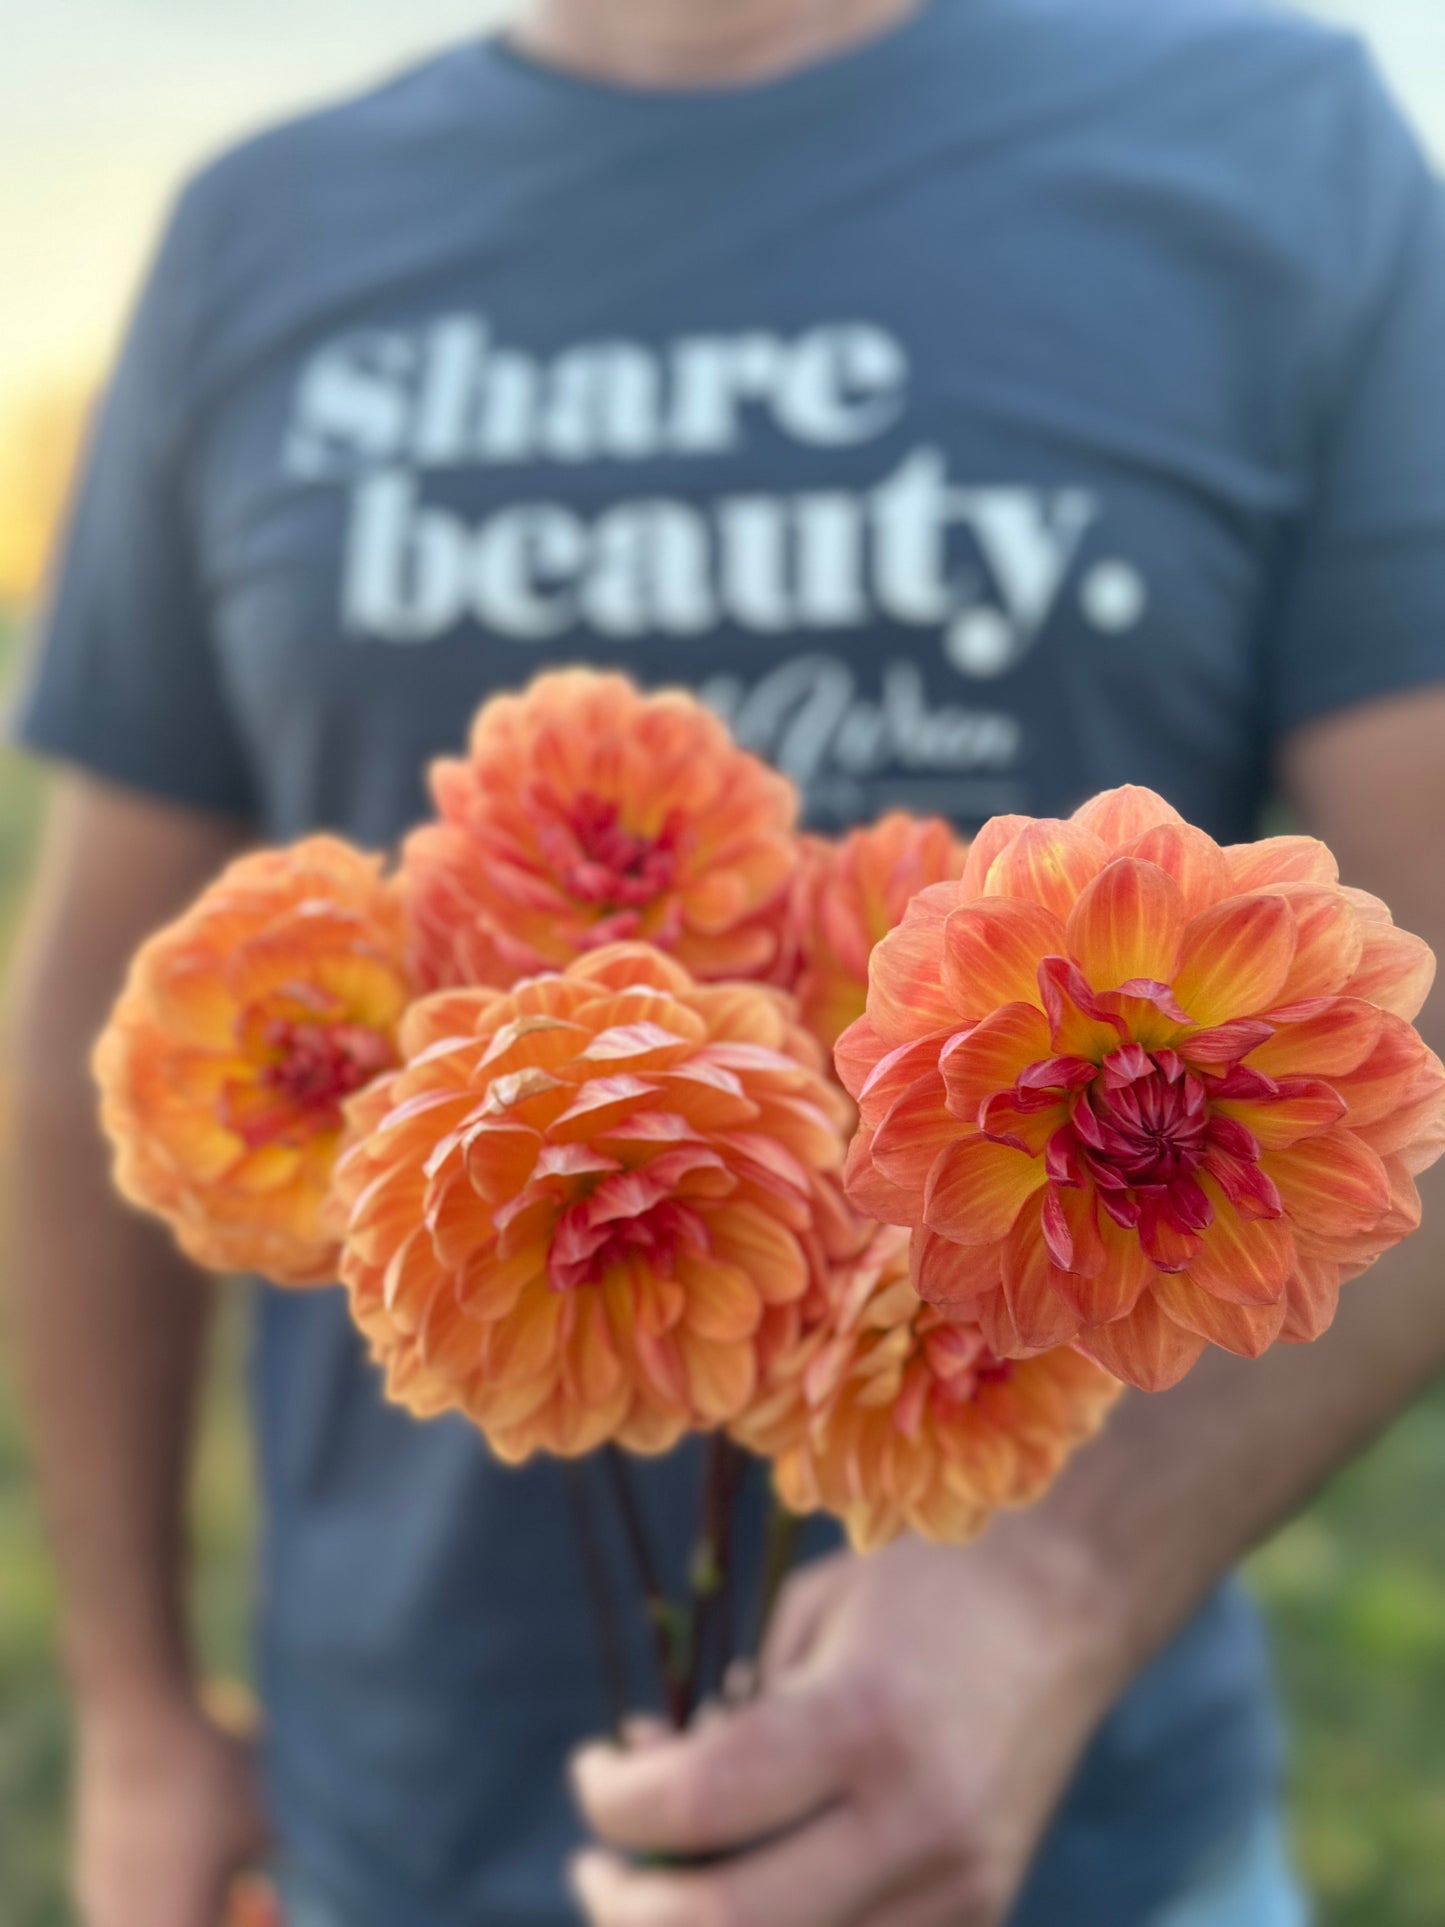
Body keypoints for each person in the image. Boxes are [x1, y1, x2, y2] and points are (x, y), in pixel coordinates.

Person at [8, 0, 1445, 1922]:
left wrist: (1055, 1586)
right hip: (396, 1821)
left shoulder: (1282, 142)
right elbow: (77, 1036)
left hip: (1078, 1838)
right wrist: (135, 1710)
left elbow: (1419, 1012)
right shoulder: (260, 229)